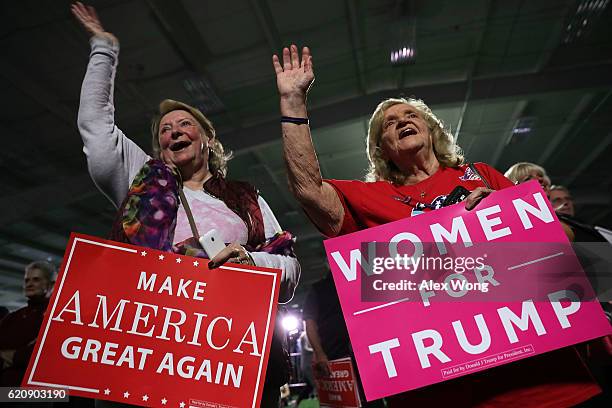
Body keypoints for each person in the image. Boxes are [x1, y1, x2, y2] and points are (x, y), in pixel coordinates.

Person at [272, 44, 601, 407]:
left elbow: (559, 242)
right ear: (381, 149)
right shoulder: (369, 199)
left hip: (546, 384)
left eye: (409, 114)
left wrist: (507, 213)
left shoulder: (483, 176)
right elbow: (308, 190)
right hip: (441, 392)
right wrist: (293, 103)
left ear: (430, 129)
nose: (401, 121)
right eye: (389, 124)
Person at [71, 3, 300, 406]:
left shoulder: (246, 197)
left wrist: (252, 261)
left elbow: (291, 266)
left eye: (184, 124)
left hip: (232, 361)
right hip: (156, 358)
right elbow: (95, 126)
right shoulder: (142, 181)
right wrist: (104, 49)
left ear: (207, 138)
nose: (173, 131)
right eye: (165, 129)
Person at [303, 274, 384, 407]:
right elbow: (309, 322)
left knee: (372, 400)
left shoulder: (359, 282)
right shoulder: (318, 288)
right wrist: (319, 352)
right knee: (345, 402)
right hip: (335, 356)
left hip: (364, 353)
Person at [0, 261, 55, 386]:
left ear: (51, 284)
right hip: (6, 391)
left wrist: (11, 355)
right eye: (27, 280)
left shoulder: (57, 315)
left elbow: (42, 355)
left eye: (36, 279)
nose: (29, 284)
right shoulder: (13, 317)